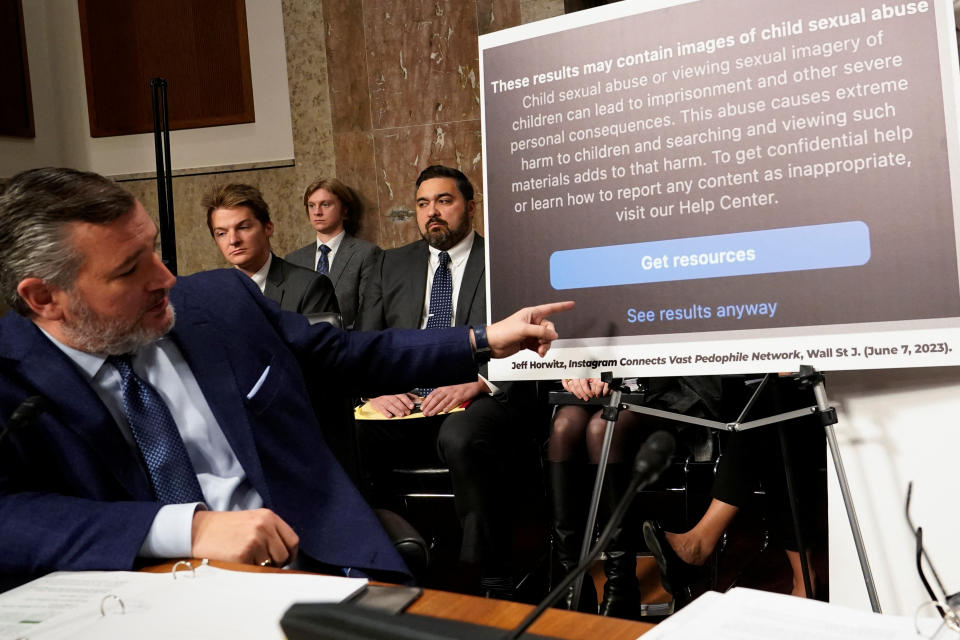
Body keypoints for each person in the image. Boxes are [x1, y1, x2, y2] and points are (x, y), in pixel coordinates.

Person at [0, 166, 571, 583]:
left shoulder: (220, 303)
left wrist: (483, 339)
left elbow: (347, 355)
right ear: (44, 297)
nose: (165, 277)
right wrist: (183, 529)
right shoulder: (11, 378)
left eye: (155, 250)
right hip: (130, 597)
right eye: (130, 269)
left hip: (309, 567)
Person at [358, 165, 539, 599]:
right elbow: (366, 341)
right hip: (406, 400)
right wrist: (378, 390)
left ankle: (490, 576)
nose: (431, 212)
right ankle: (381, 564)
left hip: (475, 399)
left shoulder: (502, 260)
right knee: (348, 435)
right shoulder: (390, 264)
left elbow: (528, 339)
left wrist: (479, 382)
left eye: (444, 201)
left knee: (462, 437)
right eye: (423, 204)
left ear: (470, 207)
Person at [549, 376, 723, 618]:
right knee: (564, 427)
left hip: (664, 390)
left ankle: (621, 588)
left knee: (602, 428)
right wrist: (574, 371)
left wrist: (616, 376)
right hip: (595, 390)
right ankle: (572, 585)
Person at [643, 378, 825, 602]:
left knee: (772, 409)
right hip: (768, 401)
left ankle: (699, 543)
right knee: (770, 414)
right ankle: (805, 580)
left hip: (834, 397)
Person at [202, 183, 339, 315]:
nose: (233, 240)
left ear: (268, 228)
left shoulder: (310, 287)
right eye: (222, 233)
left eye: (243, 227)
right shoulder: (210, 294)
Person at [285, 178, 381, 329]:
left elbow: (369, 315)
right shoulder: (294, 259)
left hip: (348, 343)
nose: (317, 212)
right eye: (311, 206)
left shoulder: (366, 254)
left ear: (344, 210)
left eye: (325, 204)